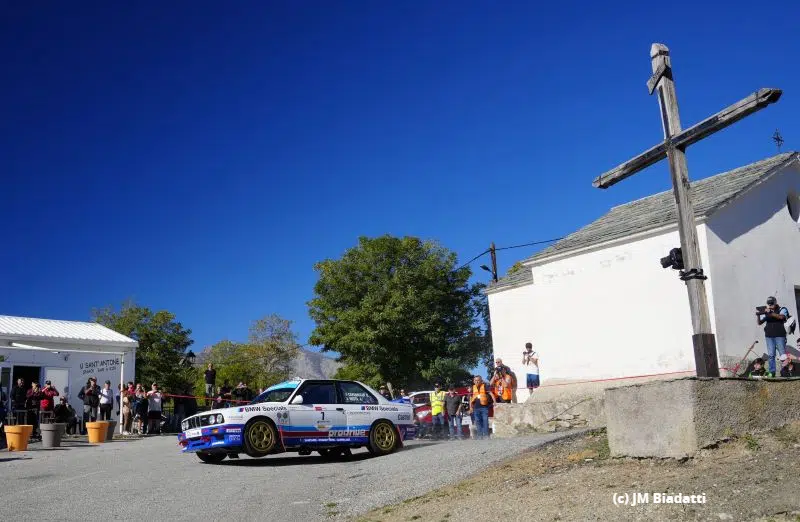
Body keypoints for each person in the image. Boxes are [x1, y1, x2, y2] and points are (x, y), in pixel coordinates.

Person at [756, 296, 789, 376]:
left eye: (771, 303)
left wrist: (770, 312)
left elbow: (781, 317)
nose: (770, 305)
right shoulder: (767, 311)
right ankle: (772, 372)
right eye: (769, 304)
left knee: (782, 354)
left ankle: (785, 371)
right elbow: (759, 323)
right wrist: (758, 315)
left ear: (775, 302)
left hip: (780, 335)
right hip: (769, 336)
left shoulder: (782, 309)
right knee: (771, 355)